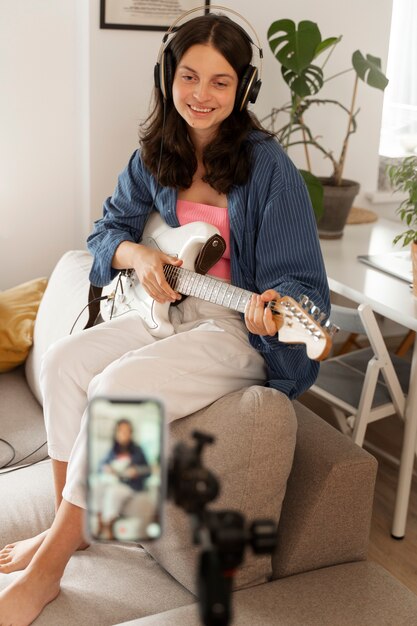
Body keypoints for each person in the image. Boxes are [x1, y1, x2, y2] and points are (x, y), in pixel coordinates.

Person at [0, 11, 330, 624]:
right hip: (166, 311)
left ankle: (52, 564)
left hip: (231, 330)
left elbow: (301, 283)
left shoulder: (270, 170)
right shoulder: (156, 154)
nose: (201, 96)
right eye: (189, 76)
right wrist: (141, 254)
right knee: (64, 361)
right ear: (167, 77)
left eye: (221, 82)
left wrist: (271, 310)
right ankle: (83, 526)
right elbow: (107, 231)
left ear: (244, 88)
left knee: (116, 387)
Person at [90, 419, 152, 540]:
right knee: (97, 485)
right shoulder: (113, 450)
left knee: (114, 492)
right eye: (121, 431)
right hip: (113, 481)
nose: (123, 434)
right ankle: (100, 521)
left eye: (126, 431)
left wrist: (136, 471)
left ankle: (109, 525)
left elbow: (148, 470)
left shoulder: (138, 450)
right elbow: (101, 466)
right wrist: (106, 468)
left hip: (130, 485)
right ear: (116, 433)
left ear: (131, 433)